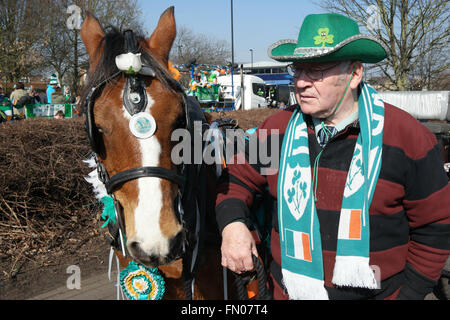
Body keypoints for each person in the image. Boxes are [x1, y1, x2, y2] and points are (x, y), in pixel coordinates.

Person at [215, 13, 450, 300]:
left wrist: (409, 294)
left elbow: (436, 227)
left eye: (316, 70)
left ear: (354, 74)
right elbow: (236, 179)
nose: (300, 82)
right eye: (298, 70)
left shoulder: (408, 137)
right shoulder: (276, 129)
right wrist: (232, 225)